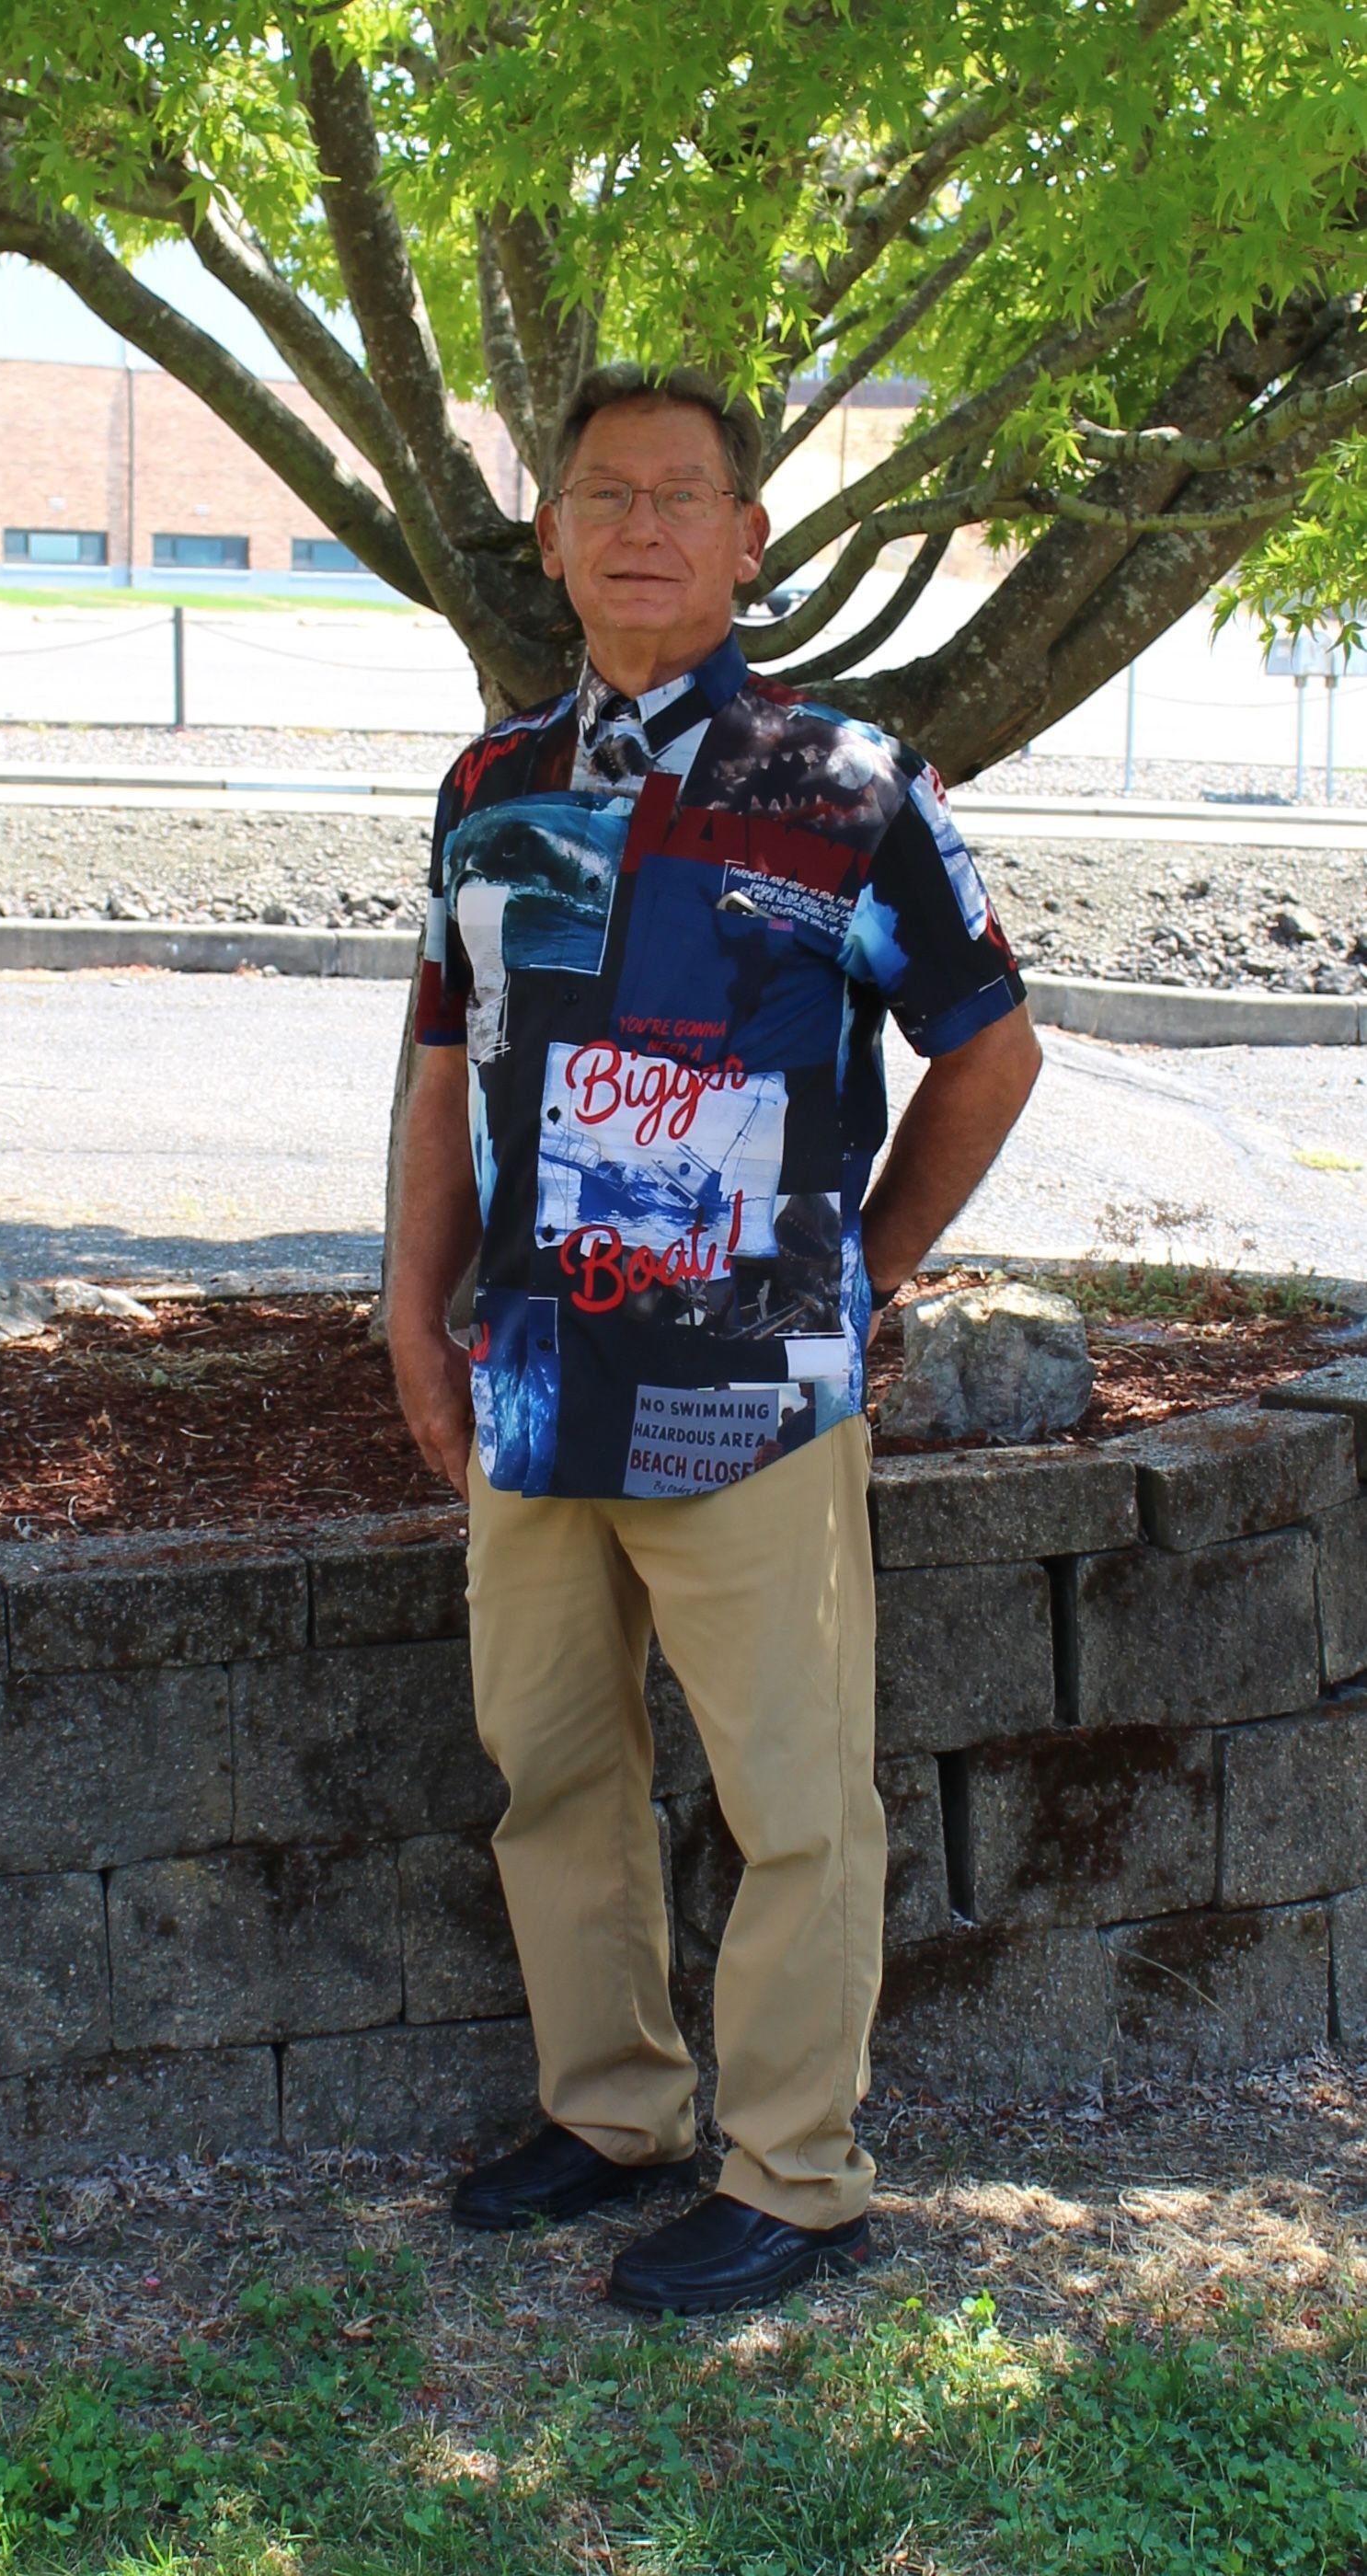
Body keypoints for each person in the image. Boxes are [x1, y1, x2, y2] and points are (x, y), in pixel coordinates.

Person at [386, 362, 1041, 2316]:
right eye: (605, 493)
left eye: (683, 494)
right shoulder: (490, 790)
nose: (642, 522)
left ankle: (797, 2171)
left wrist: (877, 1260)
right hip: (532, 1374)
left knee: (791, 1797)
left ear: (748, 540)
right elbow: (441, 1066)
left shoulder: (850, 784)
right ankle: (609, 2111)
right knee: (555, 1767)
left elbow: (989, 1047)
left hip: (750, 1390)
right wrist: (409, 1315)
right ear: (555, 534)